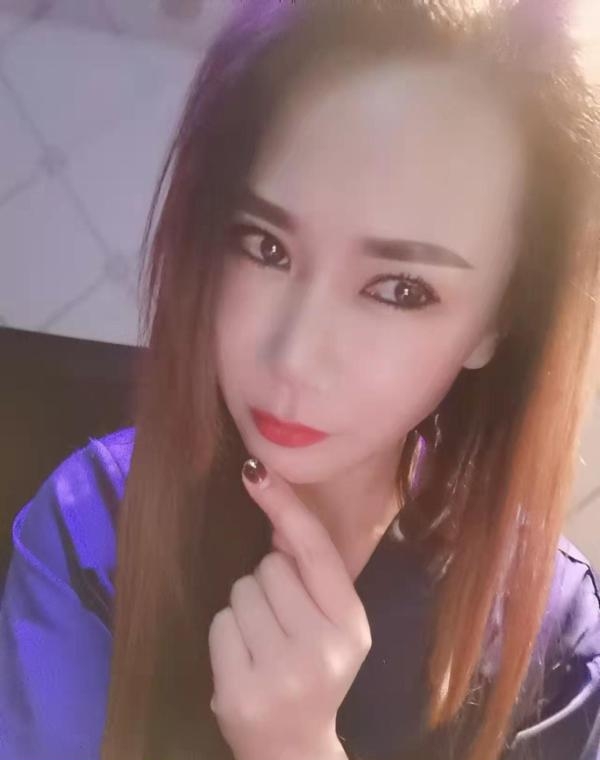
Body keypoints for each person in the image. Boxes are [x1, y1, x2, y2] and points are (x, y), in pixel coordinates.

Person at [1, 0, 600, 758]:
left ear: (496, 322)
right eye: (264, 246)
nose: (294, 356)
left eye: (401, 289)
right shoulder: (94, 527)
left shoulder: (551, 628)